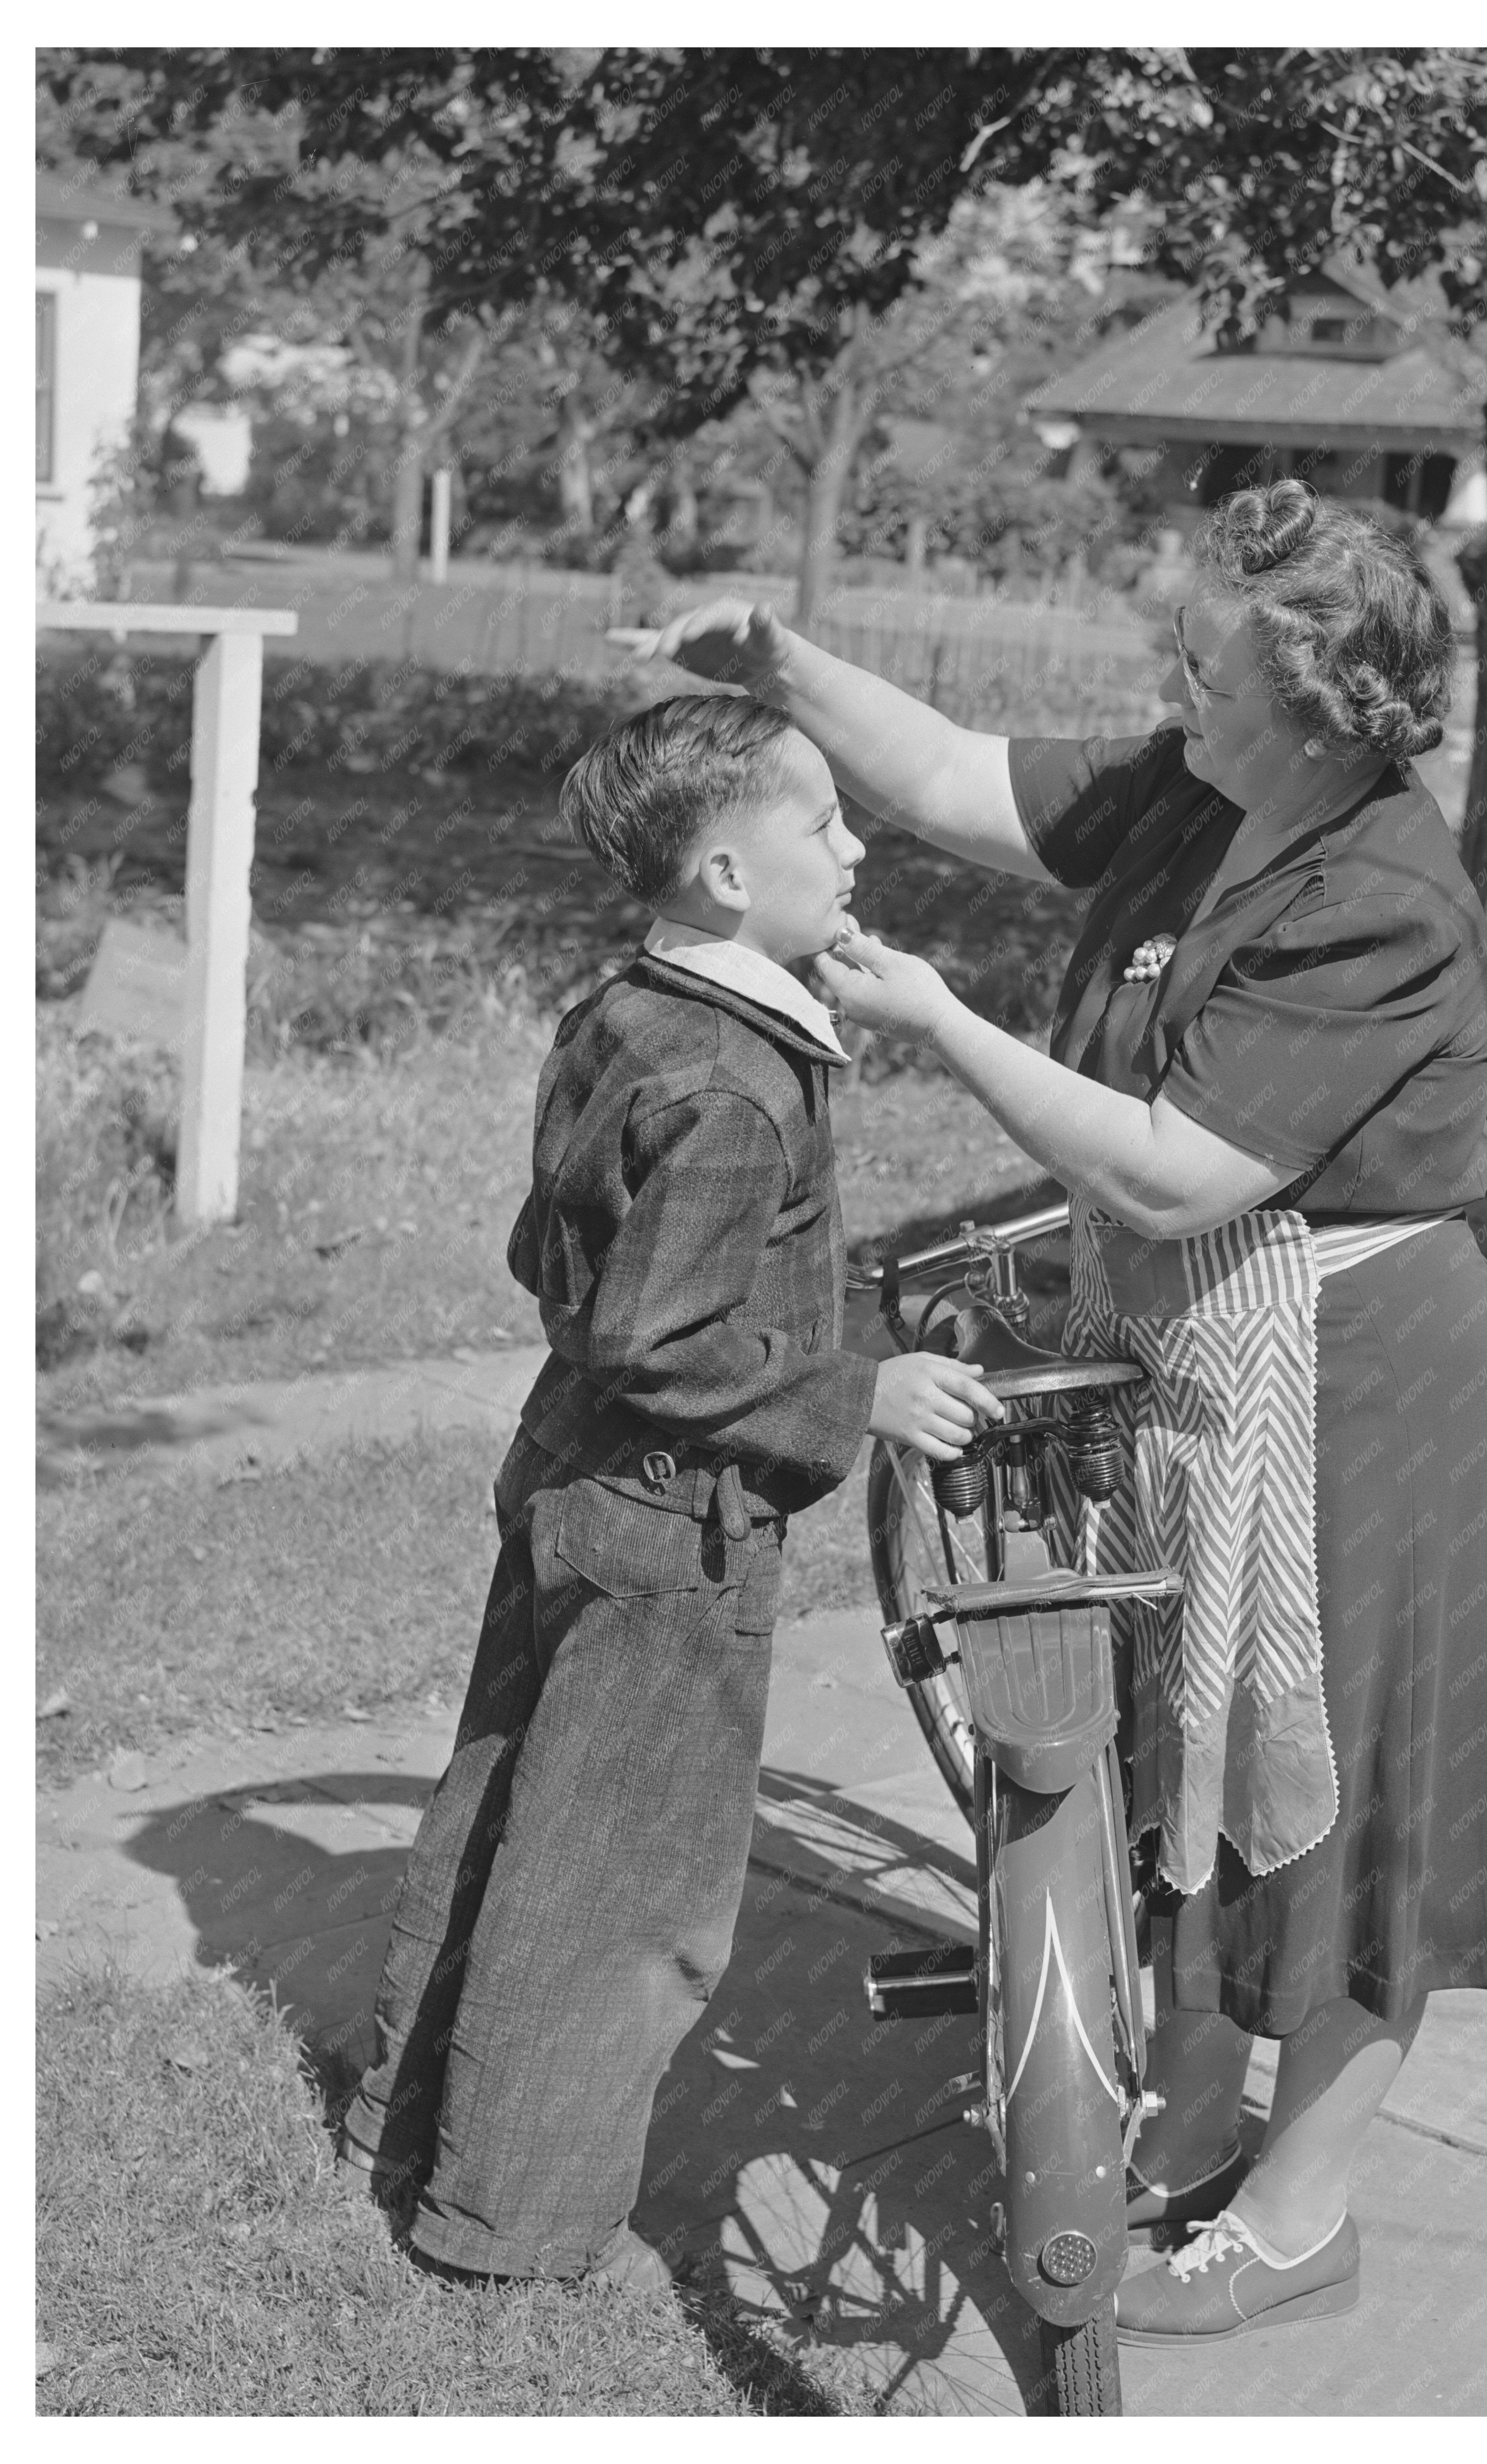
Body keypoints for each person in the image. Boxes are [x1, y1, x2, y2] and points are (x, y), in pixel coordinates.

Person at [654, 480, 1487, 2347]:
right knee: (1190, 1767)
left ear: (1316, 698)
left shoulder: (1378, 894)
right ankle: (1194, 2107)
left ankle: (1300, 2219)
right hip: (1208, 1370)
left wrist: (950, 1023)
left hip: (1364, 1391)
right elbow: (967, 780)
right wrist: (784, 667)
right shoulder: (1202, 787)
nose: (1175, 685)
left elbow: (1167, 1177)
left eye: (1206, 663)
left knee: (1346, 1811)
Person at [338, 694, 1003, 2289]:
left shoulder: (628, 1014)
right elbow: (660, 1340)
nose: (856, 849)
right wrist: (860, 1389)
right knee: (623, 1885)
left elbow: (552, 1262)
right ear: (722, 872)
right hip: (669, 1529)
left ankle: (397, 2129)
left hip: (567, 1484)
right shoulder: (737, 1087)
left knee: (502, 1811)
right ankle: (515, 2228)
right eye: (824, 824)